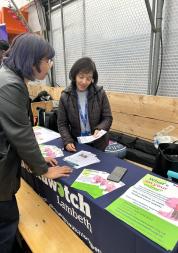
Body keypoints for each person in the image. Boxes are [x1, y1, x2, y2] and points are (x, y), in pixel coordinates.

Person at [0, 33, 72, 253]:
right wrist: (42, 169)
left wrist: (37, 159)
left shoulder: (9, 78)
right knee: (7, 224)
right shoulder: (10, 85)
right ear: (32, 60)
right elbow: (21, 134)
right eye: (47, 60)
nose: (50, 65)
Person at [58, 57, 113, 152]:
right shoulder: (65, 96)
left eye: (88, 78)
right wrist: (67, 140)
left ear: (92, 79)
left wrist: (100, 129)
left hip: (99, 143)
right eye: (81, 77)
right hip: (77, 143)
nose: (84, 82)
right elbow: (62, 124)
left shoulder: (100, 93)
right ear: (74, 75)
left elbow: (108, 118)